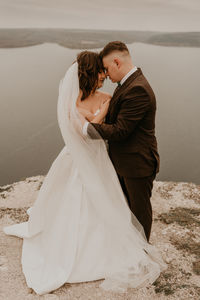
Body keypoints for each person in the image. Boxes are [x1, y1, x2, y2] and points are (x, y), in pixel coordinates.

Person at [3, 51, 166, 295]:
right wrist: (104, 109)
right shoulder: (74, 101)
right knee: (77, 201)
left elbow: (115, 128)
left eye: (105, 71)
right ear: (90, 74)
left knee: (111, 201)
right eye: (100, 73)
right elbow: (84, 132)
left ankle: (132, 243)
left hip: (101, 160)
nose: (104, 77)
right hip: (79, 160)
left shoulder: (105, 96)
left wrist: (106, 107)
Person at [84, 41, 159, 241]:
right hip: (124, 162)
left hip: (137, 163)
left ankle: (143, 256)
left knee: (139, 212)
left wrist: (86, 128)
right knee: (126, 208)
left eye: (107, 69)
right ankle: (130, 249)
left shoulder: (138, 89)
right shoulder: (127, 84)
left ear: (116, 62)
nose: (106, 75)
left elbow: (120, 131)